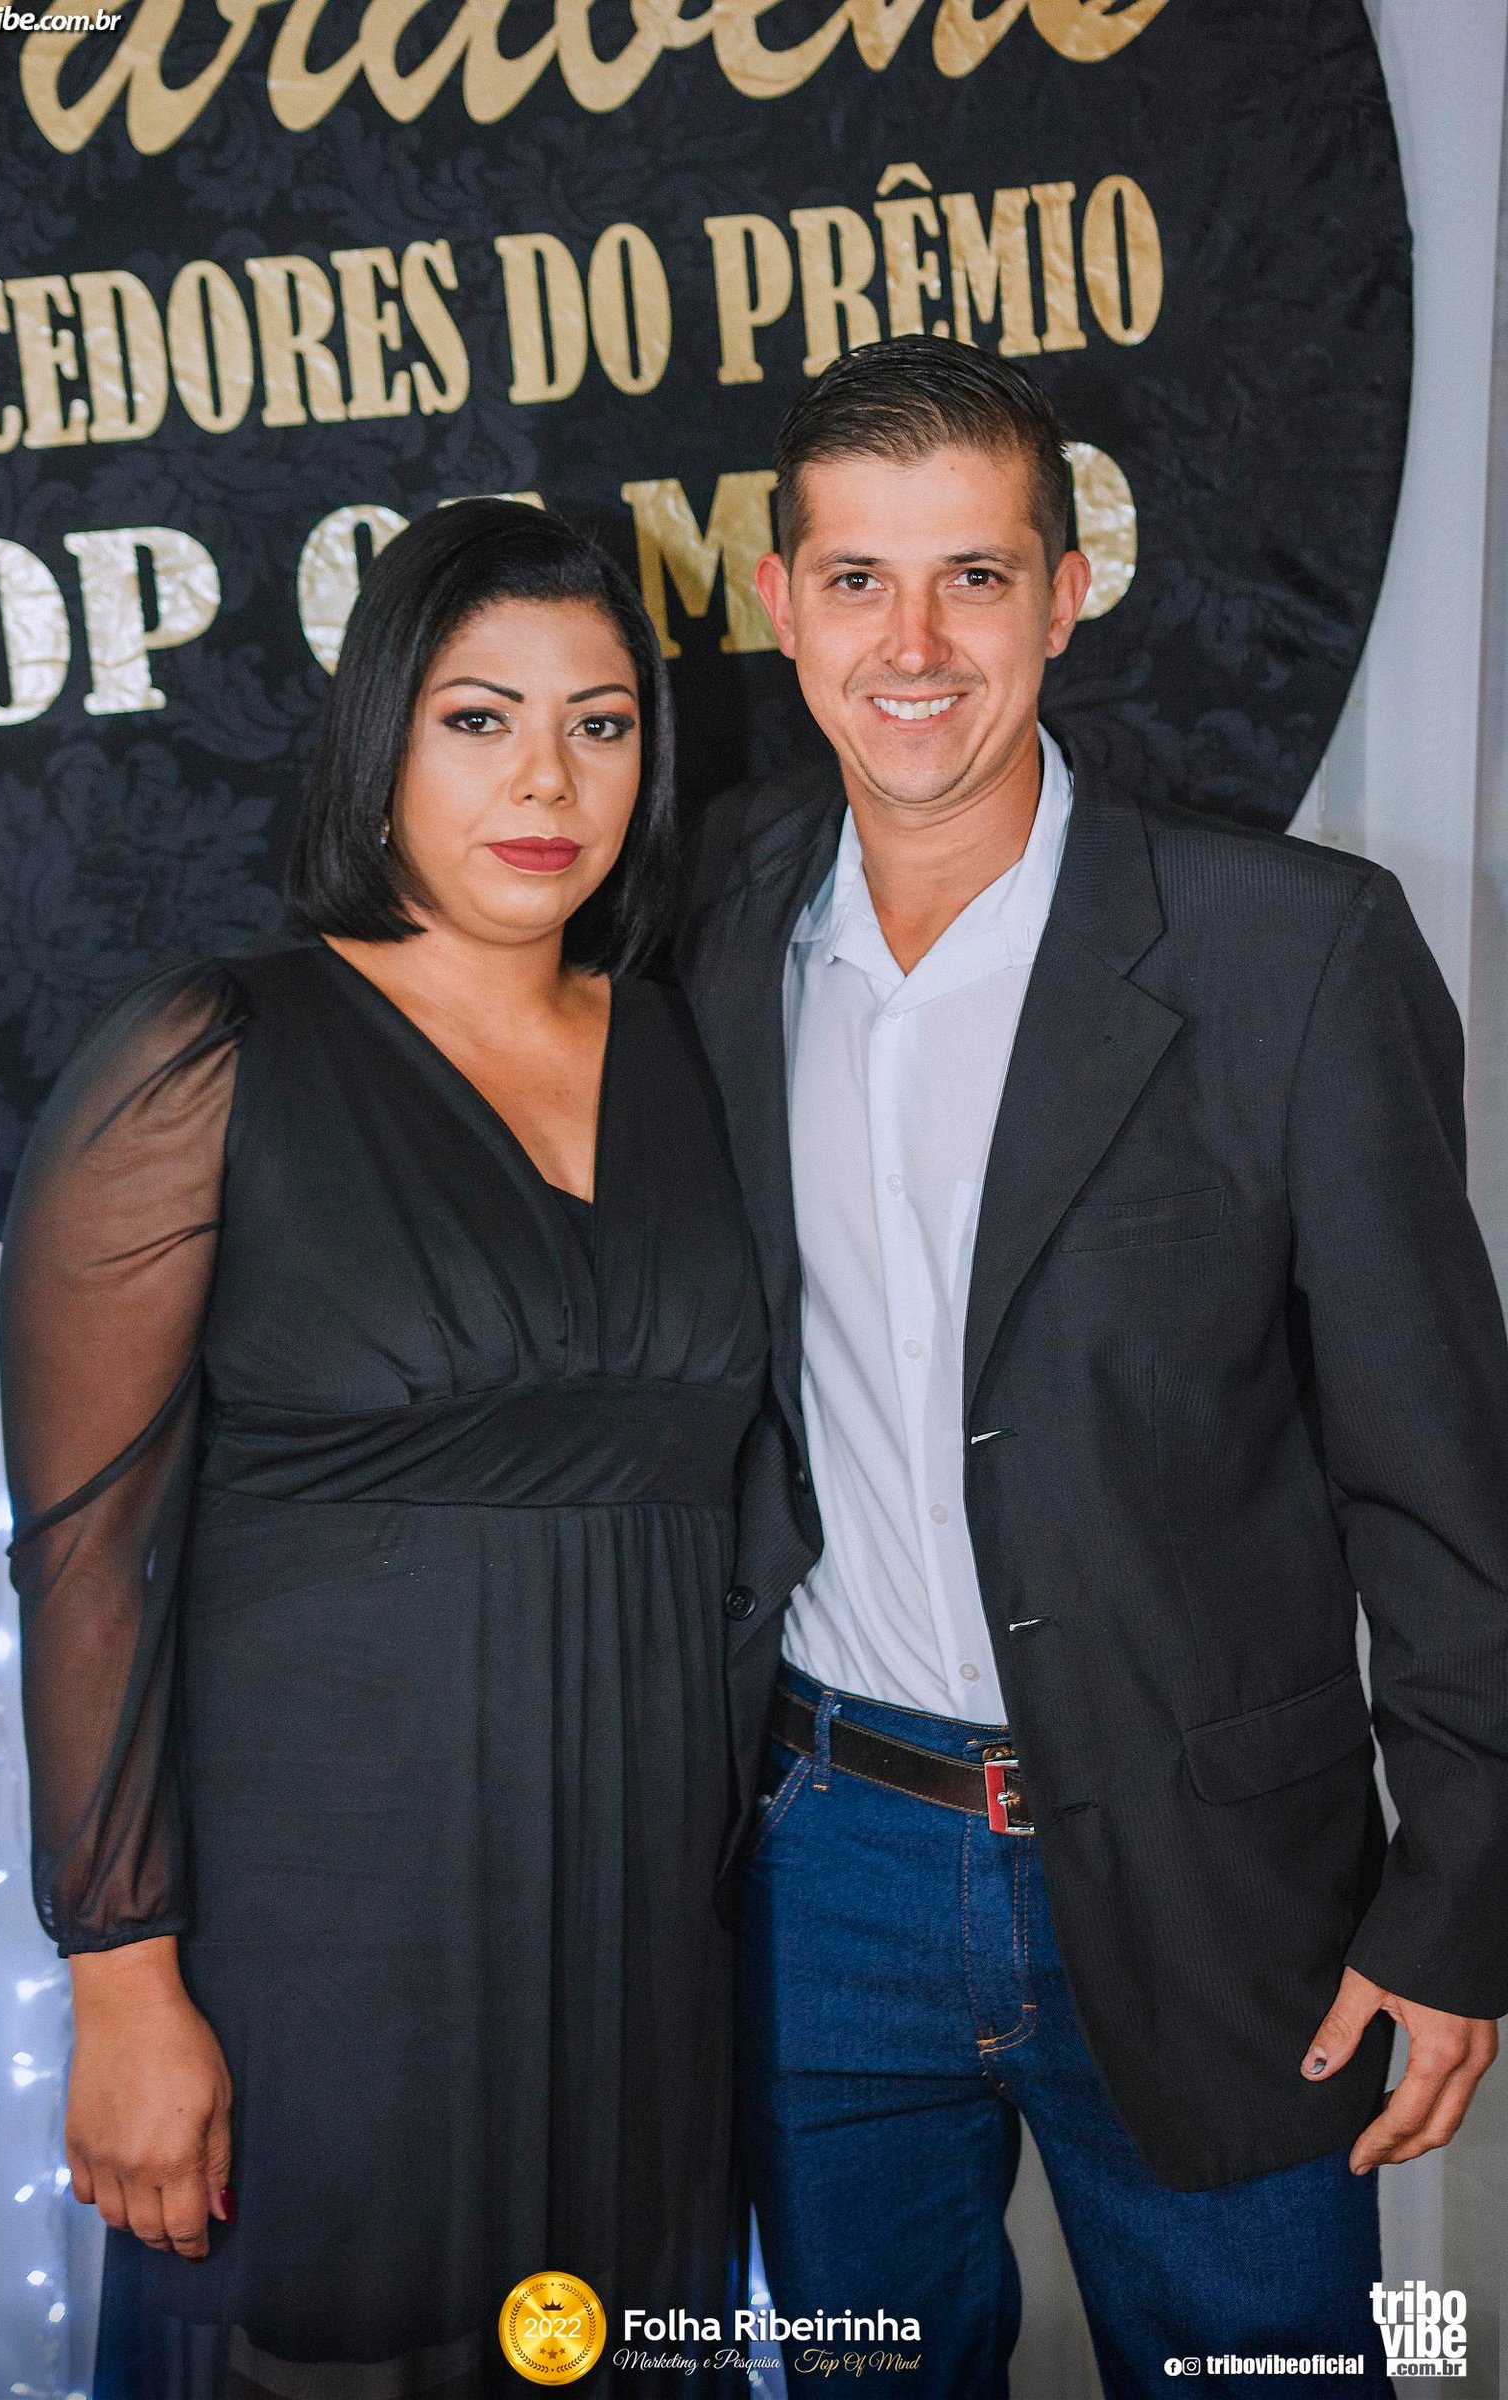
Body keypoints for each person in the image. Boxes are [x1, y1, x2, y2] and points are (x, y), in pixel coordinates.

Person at [671, 337, 1508, 2398]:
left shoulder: (1289, 951)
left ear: (1066, 590)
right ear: (779, 605)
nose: (913, 646)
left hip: (1215, 1878)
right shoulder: (706, 920)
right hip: (818, 1866)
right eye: (857, 581)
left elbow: (1442, 1485)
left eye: (972, 575)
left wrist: (1456, 1905)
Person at [0, 498, 769, 2399]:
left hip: (643, 1957)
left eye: (601, 724)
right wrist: (124, 1985)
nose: (547, 780)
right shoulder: (210, 1054)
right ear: (380, 743)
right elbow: (90, 1557)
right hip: (322, 1960)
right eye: (477, 718)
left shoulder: (697, 1054)